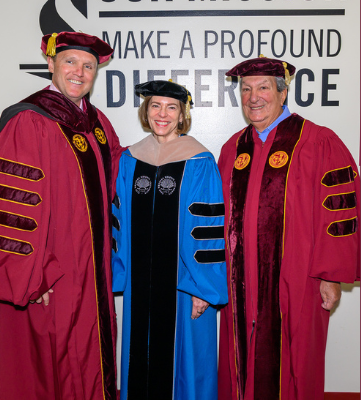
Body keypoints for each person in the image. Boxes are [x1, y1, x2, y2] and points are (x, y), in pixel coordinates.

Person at [0, 32, 120, 400]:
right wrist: (34, 274)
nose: (79, 72)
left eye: (88, 65)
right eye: (70, 62)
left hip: (93, 275)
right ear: (51, 65)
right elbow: (12, 207)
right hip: (51, 277)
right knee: (49, 370)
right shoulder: (28, 121)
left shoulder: (99, 124)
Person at [216, 57, 360, 400]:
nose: (254, 97)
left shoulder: (318, 142)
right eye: (246, 89)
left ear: (283, 93)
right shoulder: (232, 148)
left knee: (297, 361)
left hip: (298, 280)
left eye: (264, 87)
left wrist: (330, 275)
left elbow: (340, 213)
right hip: (241, 283)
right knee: (242, 359)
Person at [111, 80, 228, 399]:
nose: (162, 114)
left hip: (184, 286)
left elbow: (208, 229)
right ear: (145, 112)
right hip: (141, 286)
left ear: (182, 115)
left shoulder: (199, 162)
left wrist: (202, 288)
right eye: (155, 106)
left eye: (171, 107)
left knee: (186, 364)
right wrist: (118, 271)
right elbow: (118, 222)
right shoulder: (130, 160)